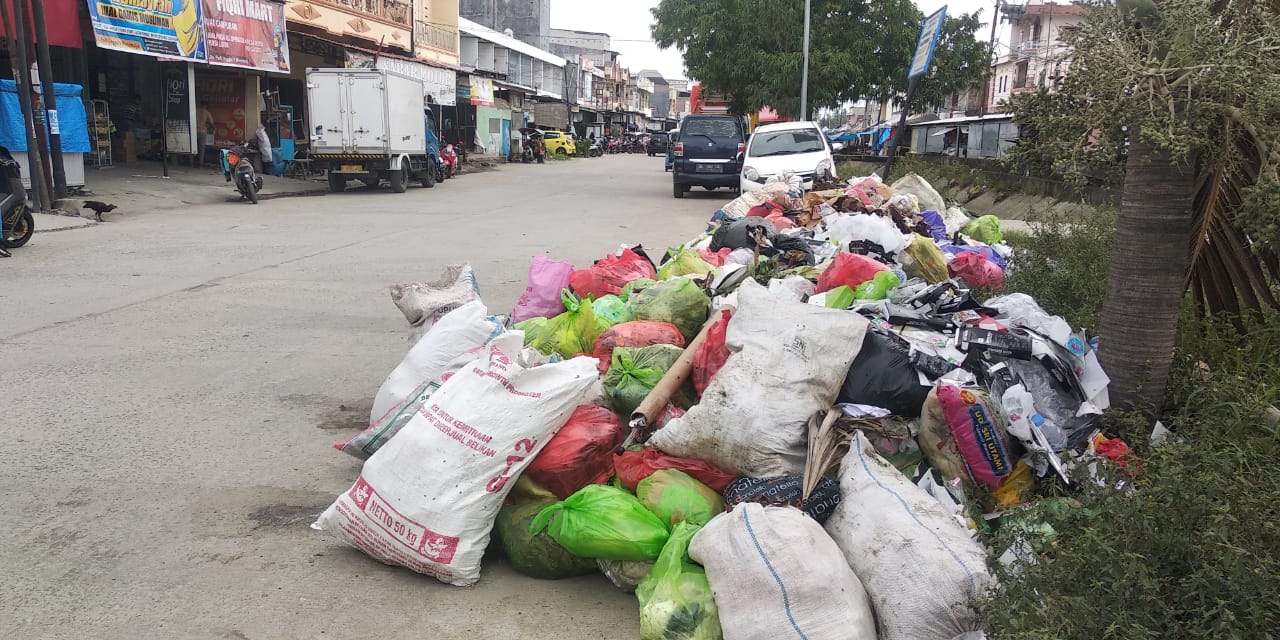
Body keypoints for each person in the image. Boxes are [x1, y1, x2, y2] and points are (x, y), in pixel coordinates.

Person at [195, 102, 215, 168]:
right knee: (202, 148)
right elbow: (211, 123)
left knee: (194, 147)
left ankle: (191, 162)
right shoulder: (207, 113)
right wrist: (212, 128)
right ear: (205, 106)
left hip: (194, 131)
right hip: (203, 131)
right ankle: (200, 163)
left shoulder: (195, 111)